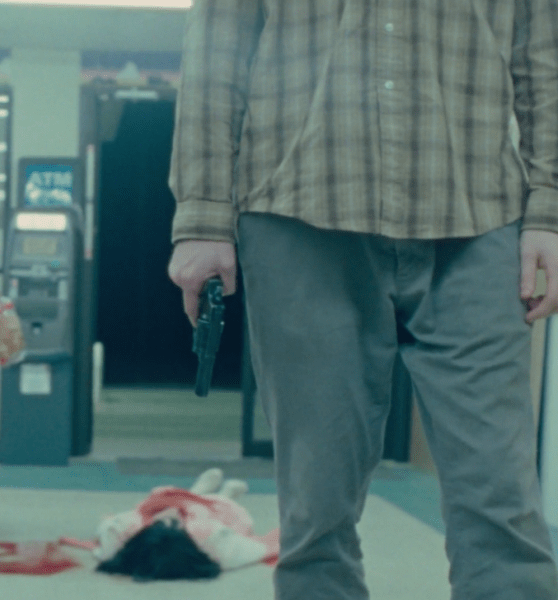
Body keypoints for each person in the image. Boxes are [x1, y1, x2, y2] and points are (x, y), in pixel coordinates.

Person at [167, 2, 558, 599]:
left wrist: (550, 210)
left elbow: (545, 58)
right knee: (316, 510)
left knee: (501, 505)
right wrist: (201, 217)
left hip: (477, 215)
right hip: (301, 212)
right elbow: (216, 53)